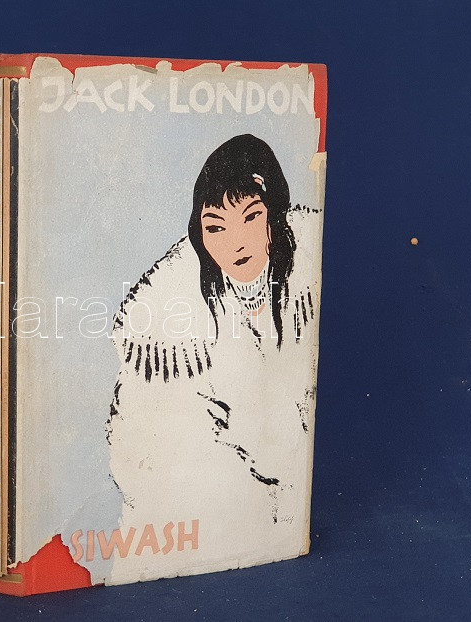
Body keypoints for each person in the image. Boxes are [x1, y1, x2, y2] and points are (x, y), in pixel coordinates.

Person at [105, 134, 320, 580]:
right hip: (200, 529)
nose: (235, 243)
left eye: (251, 217)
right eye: (216, 227)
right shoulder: (165, 328)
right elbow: (145, 456)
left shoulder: (307, 273)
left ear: (274, 215)